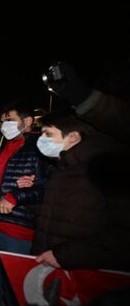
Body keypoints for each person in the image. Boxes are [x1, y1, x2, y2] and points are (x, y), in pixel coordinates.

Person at [32, 111, 130, 271]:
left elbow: (123, 232)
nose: (41, 139)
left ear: (73, 137)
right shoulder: (64, 167)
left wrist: (65, 255)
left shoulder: (108, 167)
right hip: (51, 265)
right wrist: (27, 197)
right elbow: (64, 215)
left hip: (88, 273)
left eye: (48, 133)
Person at [0, 101, 50, 306]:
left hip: (18, 230)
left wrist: (17, 196)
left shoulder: (39, 147)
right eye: (2, 121)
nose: (3, 125)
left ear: (27, 121)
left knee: (16, 288)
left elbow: (50, 185)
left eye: (9, 120)